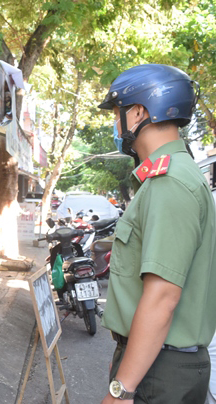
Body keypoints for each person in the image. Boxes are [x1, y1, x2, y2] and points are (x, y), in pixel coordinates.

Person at [97, 64, 216, 403]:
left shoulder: (169, 183)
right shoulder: (176, 176)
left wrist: (121, 390)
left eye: (117, 114)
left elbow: (163, 297)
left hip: (160, 373)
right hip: (156, 362)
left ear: (137, 113)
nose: (115, 125)